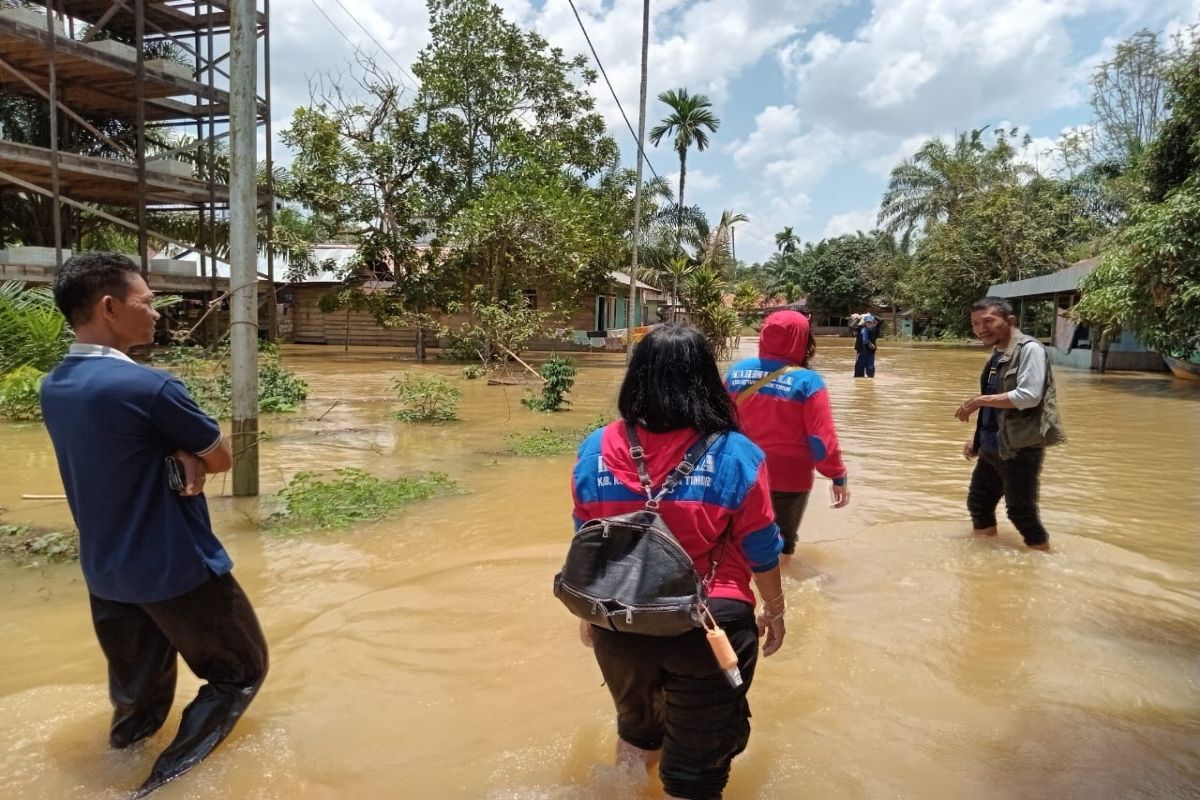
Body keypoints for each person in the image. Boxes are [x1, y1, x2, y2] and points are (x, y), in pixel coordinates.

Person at [39, 252, 268, 797]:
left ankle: (117, 769)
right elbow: (220, 458)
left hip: (107, 574)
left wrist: (172, 451)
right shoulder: (152, 388)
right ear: (110, 307)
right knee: (239, 672)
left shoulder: (55, 387)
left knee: (138, 697)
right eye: (147, 302)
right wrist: (187, 453)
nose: (157, 313)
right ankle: (163, 784)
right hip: (176, 568)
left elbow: (117, 451)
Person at [571, 323, 786, 800]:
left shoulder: (595, 448)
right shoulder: (735, 453)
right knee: (694, 775)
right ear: (706, 379)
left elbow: (586, 536)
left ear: (637, 377)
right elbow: (761, 546)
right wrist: (775, 608)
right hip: (708, 625)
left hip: (619, 622)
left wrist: (590, 615)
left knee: (636, 734)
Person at [724, 310, 849, 565]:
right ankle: (778, 600)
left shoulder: (735, 373)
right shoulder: (808, 381)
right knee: (780, 548)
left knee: (736, 544)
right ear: (802, 339)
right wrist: (837, 475)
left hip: (740, 474)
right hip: (789, 480)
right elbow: (820, 440)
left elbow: (717, 425)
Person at [954, 297, 1067, 551]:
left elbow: (1028, 396)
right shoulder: (997, 355)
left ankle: (1042, 563)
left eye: (988, 321)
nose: (981, 328)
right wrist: (977, 438)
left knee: (1020, 513)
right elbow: (997, 408)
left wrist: (978, 401)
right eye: (975, 323)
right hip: (992, 447)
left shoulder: (1030, 349)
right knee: (979, 504)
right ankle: (985, 559)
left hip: (1020, 449)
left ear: (1010, 321)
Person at [853, 313, 880, 378]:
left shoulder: (875, 330)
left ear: (873, 323)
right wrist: (858, 318)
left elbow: (881, 320)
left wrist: (872, 315)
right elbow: (852, 326)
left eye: (871, 322)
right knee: (859, 369)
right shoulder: (861, 329)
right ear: (865, 323)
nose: (869, 324)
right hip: (861, 351)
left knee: (870, 368)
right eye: (868, 322)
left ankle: (870, 379)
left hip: (870, 352)